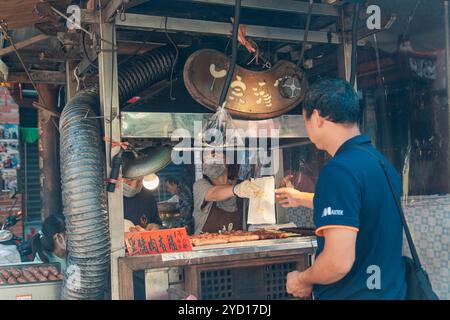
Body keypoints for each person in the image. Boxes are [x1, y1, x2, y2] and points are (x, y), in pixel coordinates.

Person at [275, 78, 406, 300]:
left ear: (316, 117)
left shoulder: (339, 170)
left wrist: (302, 279)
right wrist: (299, 198)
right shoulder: (382, 164)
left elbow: (337, 262)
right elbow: (358, 208)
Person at [193, 154, 263, 234]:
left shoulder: (243, 186)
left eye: (215, 155)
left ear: (227, 160)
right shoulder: (200, 185)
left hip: (237, 243)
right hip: (206, 243)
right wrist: (237, 189)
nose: (211, 161)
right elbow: (213, 194)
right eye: (206, 159)